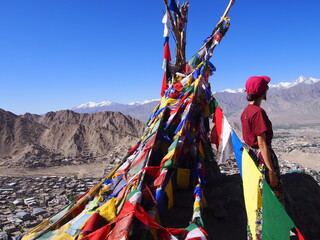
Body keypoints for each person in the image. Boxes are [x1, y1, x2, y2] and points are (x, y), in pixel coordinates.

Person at [241, 76, 283, 201]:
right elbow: (262, 144)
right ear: (263, 91)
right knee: (273, 194)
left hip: (253, 156)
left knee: (259, 195)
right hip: (262, 159)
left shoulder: (246, 111)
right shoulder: (258, 112)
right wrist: (271, 172)